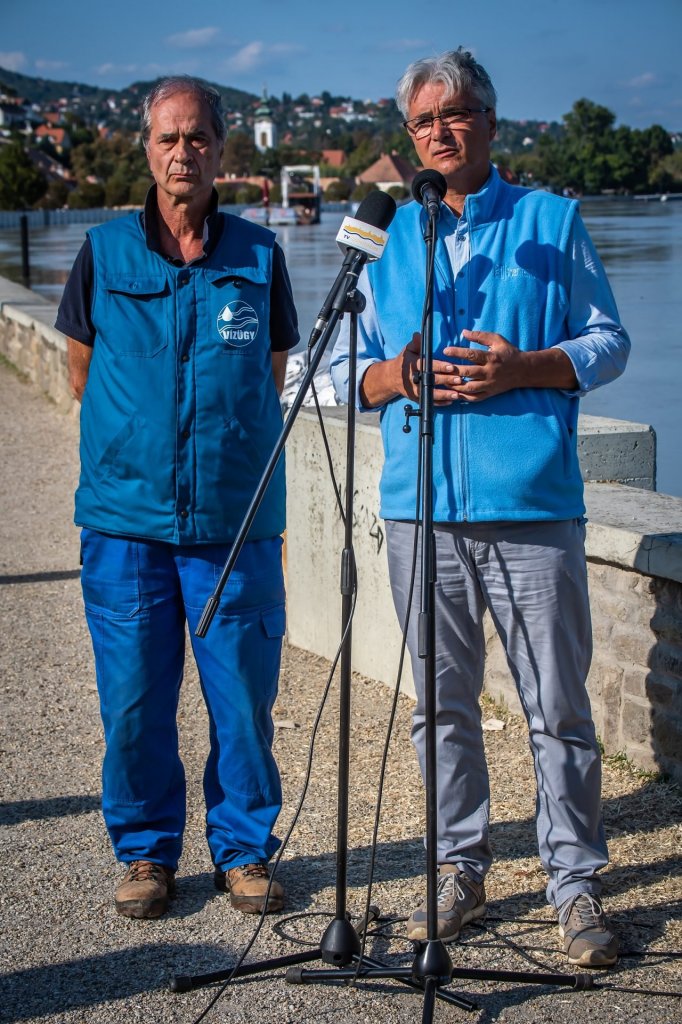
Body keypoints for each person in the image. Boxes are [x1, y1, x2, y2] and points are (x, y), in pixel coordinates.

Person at [330, 49, 630, 968]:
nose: (440, 132)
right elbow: (334, 370)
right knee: (441, 710)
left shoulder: (551, 221)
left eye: (455, 114)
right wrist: (395, 374)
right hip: (420, 516)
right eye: (423, 121)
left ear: (490, 124)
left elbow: (609, 342)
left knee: (558, 709)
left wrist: (525, 368)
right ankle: (457, 870)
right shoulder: (384, 238)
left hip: (533, 510)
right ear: (408, 136)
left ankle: (573, 886)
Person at [56, 76, 299, 919]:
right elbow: (81, 370)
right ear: (148, 149)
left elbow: (271, 374)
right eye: (169, 138)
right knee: (132, 702)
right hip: (125, 525)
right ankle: (146, 852)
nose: (183, 152)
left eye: (198, 137)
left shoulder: (259, 257)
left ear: (221, 149)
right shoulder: (103, 253)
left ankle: (243, 850)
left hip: (234, 523)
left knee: (243, 700)